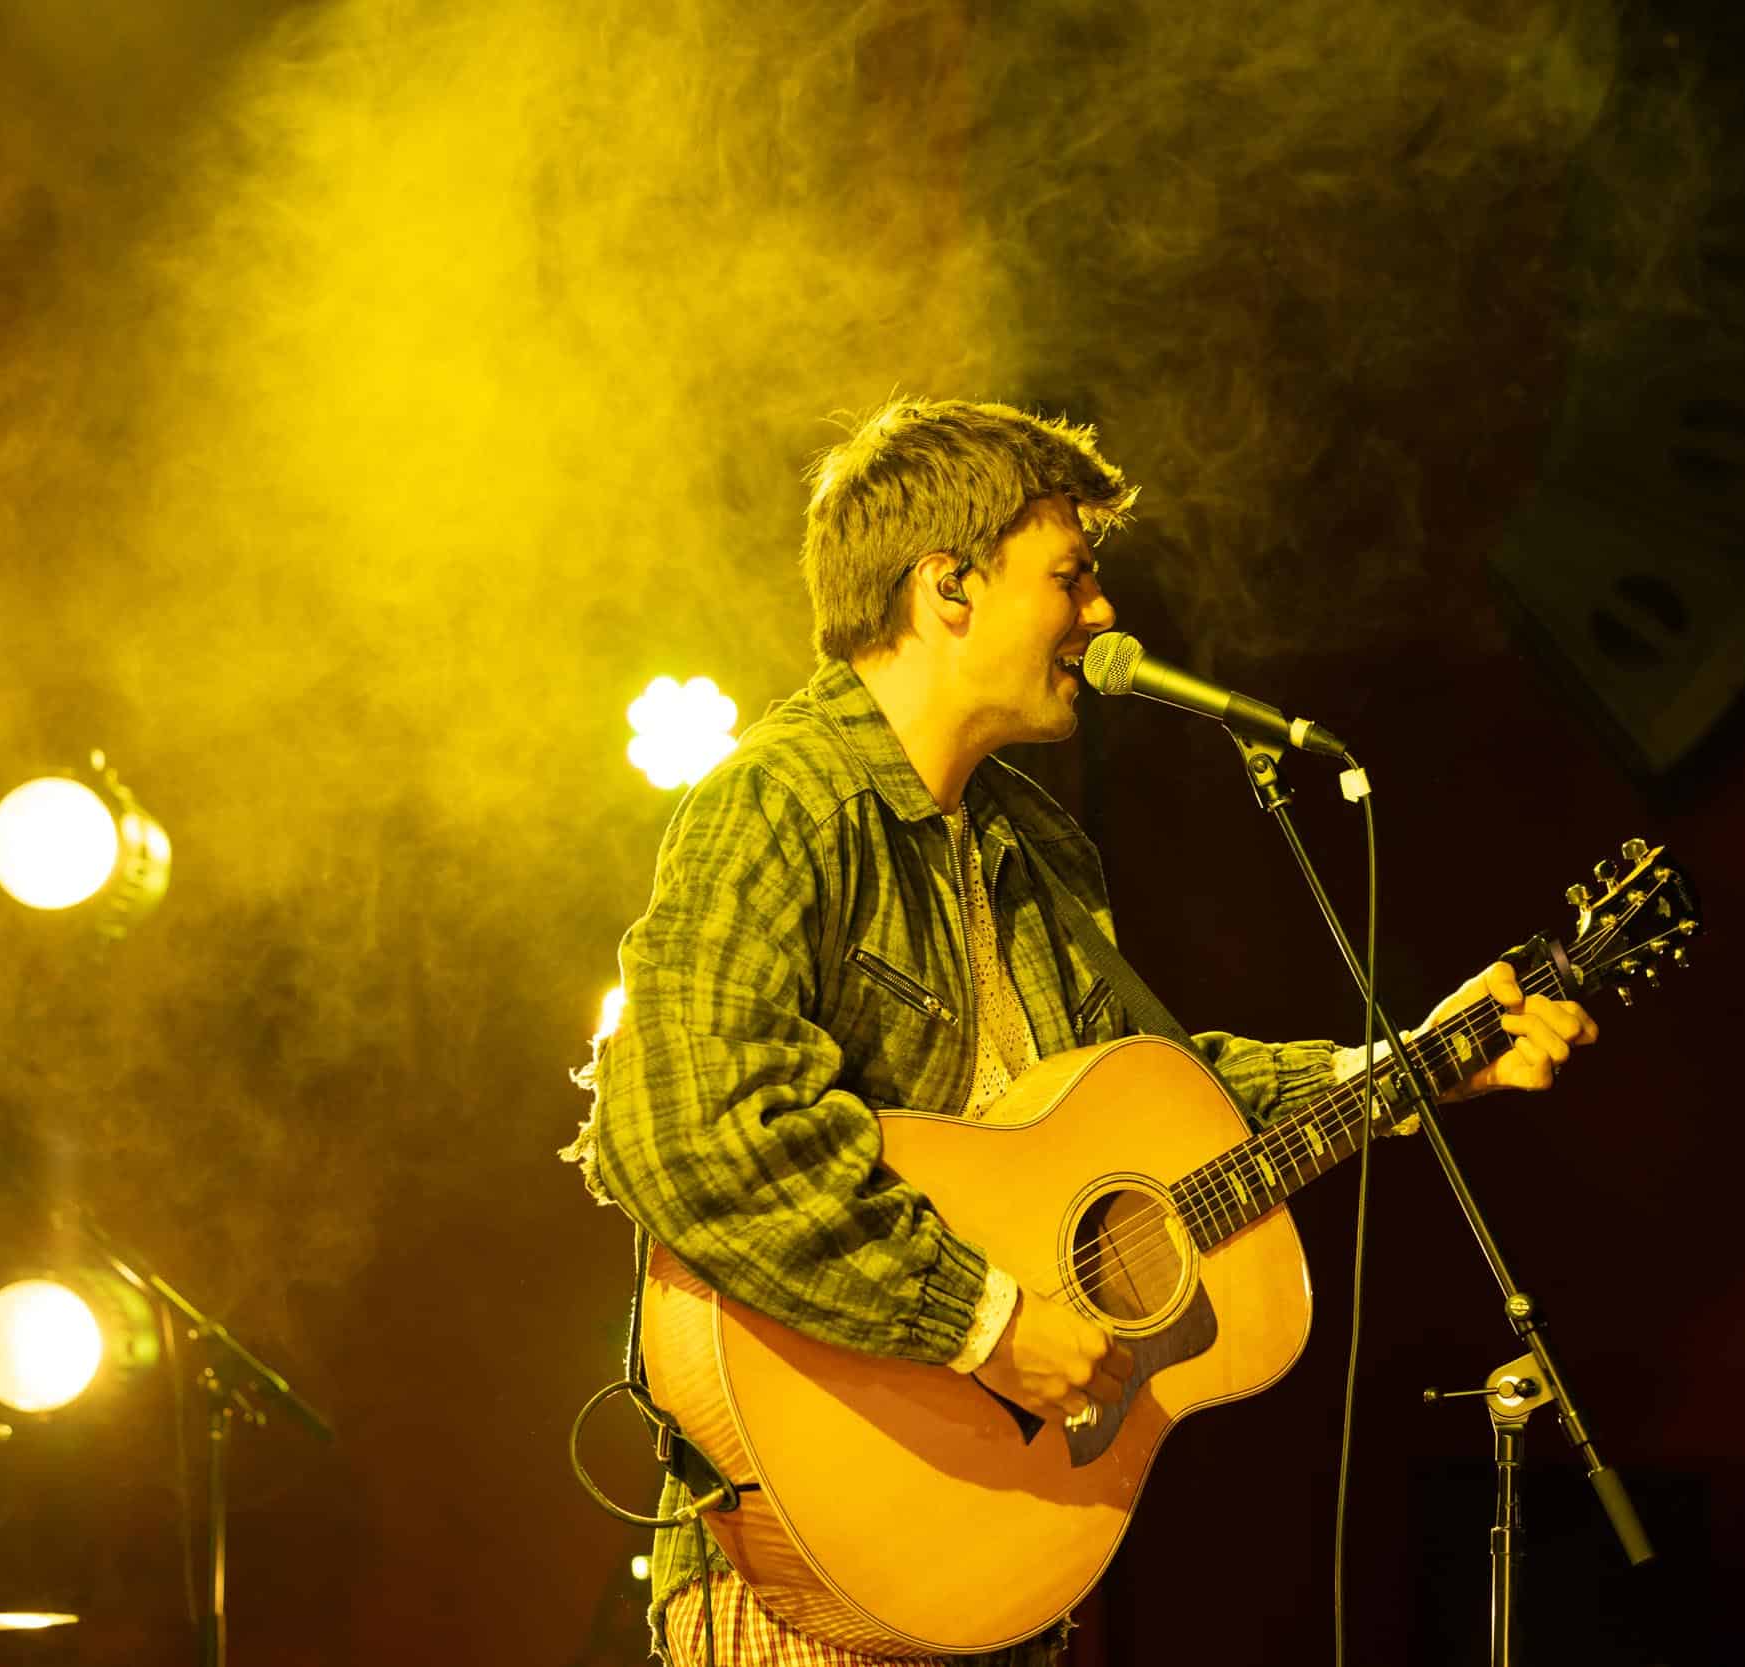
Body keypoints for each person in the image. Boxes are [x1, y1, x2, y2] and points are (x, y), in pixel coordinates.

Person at [566, 398, 1598, 1665]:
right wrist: (985, 1322)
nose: (1103, 612)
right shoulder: (779, 803)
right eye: (1070, 574)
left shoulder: (1035, 840)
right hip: (809, 1573)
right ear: (949, 586)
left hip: (1001, 1561)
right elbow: (689, 1131)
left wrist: (1407, 1065)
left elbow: (1152, 1107)